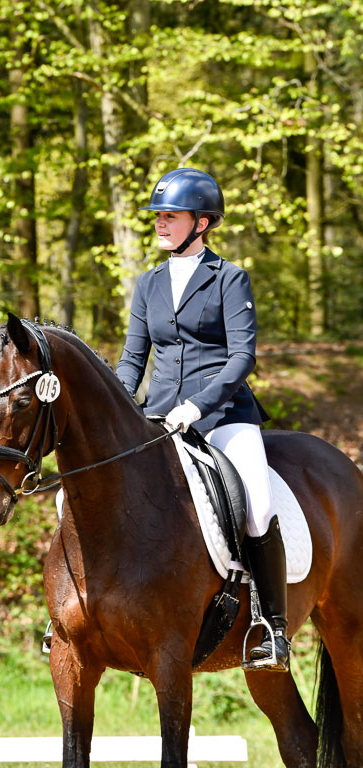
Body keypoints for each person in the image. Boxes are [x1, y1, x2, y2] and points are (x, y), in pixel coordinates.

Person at [116, 168, 290, 671]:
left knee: (257, 505)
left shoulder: (229, 278)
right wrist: (120, 407)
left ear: (202, 222)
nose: (160, 223)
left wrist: (197, 407)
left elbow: (242, 358)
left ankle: (272, 628)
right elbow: (132, 359)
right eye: (158, 216)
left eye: (171, 216)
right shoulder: (148, 283)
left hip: (224, 414)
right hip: (158, 416)